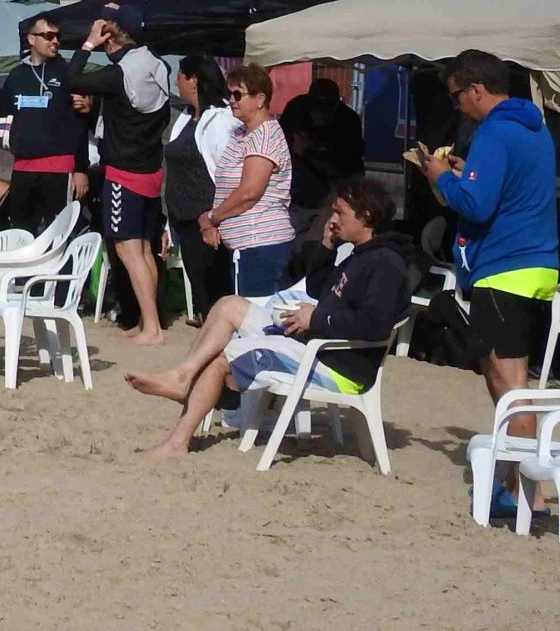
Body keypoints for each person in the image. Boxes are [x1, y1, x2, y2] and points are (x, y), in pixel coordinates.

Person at [129, 176, 413, 458]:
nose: (333, 219)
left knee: (222, 358)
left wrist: (316, 320)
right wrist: (327, 247)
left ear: (366, 215)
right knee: (229, 305)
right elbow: (318, 290)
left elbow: (375, 324)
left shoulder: (385, 263)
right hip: (316, 342)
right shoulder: (360, 254)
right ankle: (183, 375)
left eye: (340, 212)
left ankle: (177, 442)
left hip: (336, 366)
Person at [420, 50, 559, 519]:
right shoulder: (533, 127)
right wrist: (467, 175)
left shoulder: (494, 132)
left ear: (476, 89)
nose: (456, 106)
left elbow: (476, 207)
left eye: (456, 96)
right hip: (534, 262)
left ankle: (529, 493)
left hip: (505, 265)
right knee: (509, 381)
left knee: (509, 384)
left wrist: (442, 178)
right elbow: (503, 191)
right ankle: (517, 484)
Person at [68, 0, 174, 344]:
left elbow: (71, 79)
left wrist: (88, 44)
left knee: (129, 251)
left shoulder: (118, 74)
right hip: (150, 170)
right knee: (142, 249)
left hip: (124, 173)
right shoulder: (157, 65)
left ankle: (152, 327)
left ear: (110, 36)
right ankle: (148, 321)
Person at [199, 63, 295, 299]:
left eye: (238, 94)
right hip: (245, 247)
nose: (231, 100)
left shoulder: (265, 135)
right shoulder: (242, 133)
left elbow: (249, 192)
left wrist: (212, 217)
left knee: (256, 317)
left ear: (260, 99)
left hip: (261, 245)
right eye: (229, 94)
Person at [0, 13, 87, 236]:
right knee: (21, 231)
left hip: (59, 166)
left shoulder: (66, 72)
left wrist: (81, 169)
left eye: (58, 36)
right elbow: (1, 115)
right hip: (23, 166)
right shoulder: (16, 75)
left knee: (59, 232)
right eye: (49, 36)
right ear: (31, 39)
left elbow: (80, 124)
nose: (55, 41)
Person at [161, 55, 237, 314]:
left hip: (208, 223)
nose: (176, 83)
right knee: (203, 297)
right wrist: (169, 227)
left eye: (179, 77)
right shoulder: (186, 117)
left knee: (217, 297)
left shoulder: (222, 119)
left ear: (193, 81)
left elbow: (227, 176)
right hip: (185, 221)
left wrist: (216, 220)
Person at [282, 77, 367, 234]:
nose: (320, 115)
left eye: (326, 110)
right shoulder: (296, 110)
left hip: (333, 195)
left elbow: (346, 168)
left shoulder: (348, 121)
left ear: (336, 106)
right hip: (299, 194)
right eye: (315, 109)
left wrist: (307, 152)